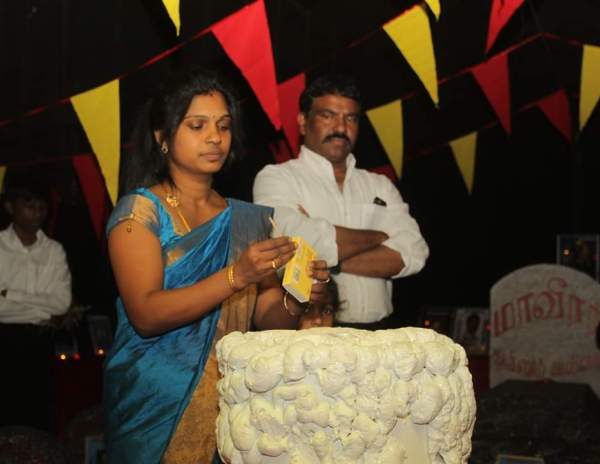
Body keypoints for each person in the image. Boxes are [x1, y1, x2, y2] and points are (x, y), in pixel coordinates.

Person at [103, 68, 331, 463]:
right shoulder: (140, 212)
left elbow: (267, 318)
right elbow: (145, 314)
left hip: (229, 399)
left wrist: (298, 296)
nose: (214, 137)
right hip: (153, 404)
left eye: (223, 126)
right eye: (197, 125)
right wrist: (236, 276)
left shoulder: (246, 220)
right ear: (162, 137)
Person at [253, 74, 429, 329]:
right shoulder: (276, 177)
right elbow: (293, 244)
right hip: (313, 331)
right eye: (328, 115)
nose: (341, 127)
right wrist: (380, 236)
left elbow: (415, 253)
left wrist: (328, 259)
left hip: (381, 332)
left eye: (351, 118)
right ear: (303, 122)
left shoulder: (380, 184)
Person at [0, 182, 72, 430]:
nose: (37, 211)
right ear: (10, 207)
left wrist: (10, 294)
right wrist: (42, 309)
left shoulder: (54, 250)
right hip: (4, 339)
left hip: (39, 341)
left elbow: (61, 303)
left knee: (38, 416)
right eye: (29, 204)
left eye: (42, 206)